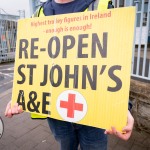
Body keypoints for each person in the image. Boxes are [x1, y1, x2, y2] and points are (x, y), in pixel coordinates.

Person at [5, 0, 134, 150]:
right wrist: (20, 96)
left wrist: (121, 107)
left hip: (94, 115)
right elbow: (35, 63)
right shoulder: (38, 15)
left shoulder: (102, 5)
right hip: (57, 115)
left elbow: (115, 61)